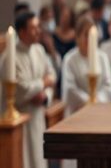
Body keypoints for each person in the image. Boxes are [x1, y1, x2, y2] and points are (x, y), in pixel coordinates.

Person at [13, 11, 57, 168]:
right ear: (22, 31)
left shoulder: (39, 49)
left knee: (39, 161)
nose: (38, 31)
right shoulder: (12, 56)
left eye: (38, 27)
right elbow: (22, 89)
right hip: (22, 121)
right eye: (34, 28)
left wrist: (46, 97)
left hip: (38, 116)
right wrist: (42, 83)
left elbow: (51, 76)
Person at [61, 16, 111, 116]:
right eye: (86, 35)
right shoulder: (69, 59)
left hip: (100, 111)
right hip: (77, 112)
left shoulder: (102, 57)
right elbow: (70, 88)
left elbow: (109, 85)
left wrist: (97, 100)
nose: (89, 39)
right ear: (77, 37)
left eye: (92, 35)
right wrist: (89, 101)